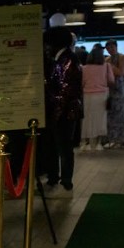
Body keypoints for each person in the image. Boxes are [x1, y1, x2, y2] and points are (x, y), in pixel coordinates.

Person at [40, 26, 83, 191]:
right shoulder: (64, 58)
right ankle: (55, 178)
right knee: (58, 146)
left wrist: (54, 111)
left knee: (64, 147)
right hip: (63, 111)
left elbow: (65, 90)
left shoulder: (67, 60)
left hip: (64, 112)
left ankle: (65, 182)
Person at [80, 44, 115, 151]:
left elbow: (81, 83)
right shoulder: (107, 66)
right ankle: (98, 143)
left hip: (87, 96)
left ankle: (86, 143)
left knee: (87, 119)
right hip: (102, 96)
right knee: (100, 119)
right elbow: (111, 81)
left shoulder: (84, 68)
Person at [105, 40, 124, 146]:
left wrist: (111, 67)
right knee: (110, 112)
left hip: (118, 87)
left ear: (116, 47)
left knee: (119, 112)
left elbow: (121, 72)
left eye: (112, 47)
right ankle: (111, 137)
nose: (110, 50)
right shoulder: (107, 59)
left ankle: (119, 138)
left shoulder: (122, 57)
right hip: (109, 87)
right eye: (108, 48)